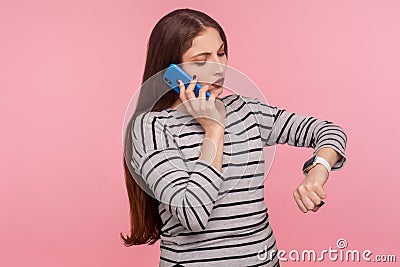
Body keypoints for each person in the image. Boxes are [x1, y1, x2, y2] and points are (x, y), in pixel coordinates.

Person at [121, 8, 347, 267]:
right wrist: (214, 129)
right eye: (202, 59)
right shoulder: (151, 128)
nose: (219, 68)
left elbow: (329, 131)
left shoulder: (246, 111)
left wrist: (318, 170)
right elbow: (192, 214)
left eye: (221, 52)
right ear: (173, 72)